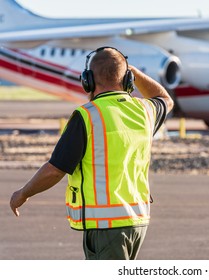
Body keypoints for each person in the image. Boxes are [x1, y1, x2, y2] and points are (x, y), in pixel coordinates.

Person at [9, 46, 174, 260]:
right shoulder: (144, 111)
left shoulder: (87, 116)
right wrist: (130, 71)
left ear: (88, 80)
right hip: (138, 222)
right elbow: (164, 98)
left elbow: (55, 170)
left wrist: (23, 193)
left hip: (107, 227)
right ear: (128, 81)